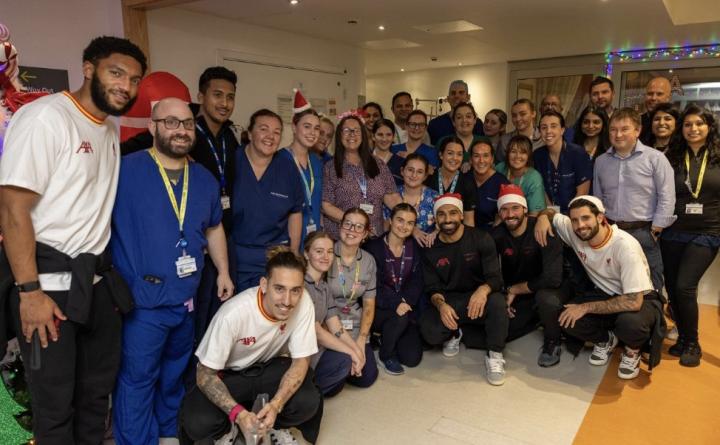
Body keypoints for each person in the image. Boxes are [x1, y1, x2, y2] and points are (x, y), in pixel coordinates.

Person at [0, 36, 145, 444]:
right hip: (46, 286)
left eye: (134, 80)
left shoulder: (108, 129)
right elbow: (12, 208)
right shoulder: (46, 117)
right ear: (88, 68)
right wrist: (30, 292)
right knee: (55, 408)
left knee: (95, 401)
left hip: (96, 285)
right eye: (116, 73)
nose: (126, 86)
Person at [110, 98, 234, 444]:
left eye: (187, 123)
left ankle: (169, 433)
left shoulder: (204, 178)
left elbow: (214, 228)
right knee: (138, 379)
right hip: (143, 304)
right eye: (171, 122)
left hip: (185, 299)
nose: (181, 130)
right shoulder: (125, 172)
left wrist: (223, 271)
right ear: (152, 126)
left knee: (174, 374)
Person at [178, 248, 322, 444]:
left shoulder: (304, 302)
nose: (287, 301)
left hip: (268, 367)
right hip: (229, 374)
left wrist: (276, 405)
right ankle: (230, 429)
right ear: (264, 285)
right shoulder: (232, 314)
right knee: (198, 422)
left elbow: (301, 362)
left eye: (295, 290)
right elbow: (204, 375)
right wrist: (238, 414)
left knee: (307, 400)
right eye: (279, 289)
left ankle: (273, 425)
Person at [534, 196, 665, 380]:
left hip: (639, 298)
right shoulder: (574, 231)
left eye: (586, 218)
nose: (580, 225)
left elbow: (634, 302)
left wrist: (585, 307)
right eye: (574, 220)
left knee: (630, 324)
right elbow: (550, 213)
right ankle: (606, 339)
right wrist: (542, 218)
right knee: (565, 317)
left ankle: (632, 350)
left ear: (600, 218)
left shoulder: (625, 246)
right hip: (603, 294)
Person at [420, 194, 507, 385]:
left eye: (453, 213)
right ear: (435, 219)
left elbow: (495, 278)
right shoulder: (430, 248)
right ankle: (456, 332)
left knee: (498, 302)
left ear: (461, 215)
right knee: (430, 332)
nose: (447, 219)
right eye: (441, 214)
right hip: (450, 301)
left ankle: (494, 354)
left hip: (478, 299)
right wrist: (441, 305)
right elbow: (432, 287)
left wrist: (483, 290)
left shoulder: (481, 238)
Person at [593, 107, 676, 292]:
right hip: (611, 231)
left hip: (644, 231)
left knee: (650, 283)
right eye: (613, 129)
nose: (618, 134)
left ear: (637, 130)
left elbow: (667, 195)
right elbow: (598, 197)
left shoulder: (656, 158)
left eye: (624, 129)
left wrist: (656, 229)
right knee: (614, 282)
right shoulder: (601, 161)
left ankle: (654, 309)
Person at [662, 104, 720, 367]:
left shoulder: (717, 157)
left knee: (685, 285)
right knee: (673, 287)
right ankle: (683, 338)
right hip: (673, 231)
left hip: (707, 232)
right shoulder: (672, 157)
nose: (693, 129)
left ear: (709, 126)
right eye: (687, 124)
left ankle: (693, 343)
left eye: (699, 123)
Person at [190, 66, 241, 354]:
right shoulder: (187, 133)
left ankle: (214, 362)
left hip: (224, 233)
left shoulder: (229, 136)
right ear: (201, 96)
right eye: (217, 95)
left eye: (230, 97)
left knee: (221, 303)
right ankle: (194, 368)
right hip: (196, 239)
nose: (224, 103)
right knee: (196, 309)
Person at [490, 184, 565, 366]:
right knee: (503, 330)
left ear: (525, 209)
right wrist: (505, 296)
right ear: (499, 213)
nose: (510, 214)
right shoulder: (497, 235)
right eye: (504, 209)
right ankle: (537, 318)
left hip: (550, 288)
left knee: (546, 300)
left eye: (515, 208)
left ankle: (553, 341)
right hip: (521, 293)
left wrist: (515, 289)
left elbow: (553, 278)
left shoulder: (542, 229)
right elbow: (492, 272)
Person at [232, 109, 304, 292]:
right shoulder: (233, 162)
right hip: (237, 256)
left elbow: (295, 212)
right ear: (250, 133)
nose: (270, 136)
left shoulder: (287, 168)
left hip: (275, 256)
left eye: (277, 132)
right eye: (263, 129)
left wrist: (293, 253)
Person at [303, 231, 364, 395]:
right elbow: (318, 332)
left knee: (341, 378)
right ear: (306, 254)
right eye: (319, 251)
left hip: (317, 351)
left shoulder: (324, 286)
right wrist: (351, 352)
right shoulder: (301, 285)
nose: (325, 256)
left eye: (330, 252)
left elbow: (335, 326)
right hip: (299, 355)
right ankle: (304, 393)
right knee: (345, 361)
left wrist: (357, 351)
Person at [322, 113, 401, 239]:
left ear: (363, 135)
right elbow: (326, 206)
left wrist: (406, 217)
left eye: (356, 130)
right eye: (346, 130)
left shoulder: (378, 164)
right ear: (339, 135)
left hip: (374, 236)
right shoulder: (330, 167)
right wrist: (356, 224)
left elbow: (392, 196)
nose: (352, 134)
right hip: (343, 237)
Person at [365, 204, 424, 375]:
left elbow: (417, 281)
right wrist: (396, 302)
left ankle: (386, 337)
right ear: (390, 221)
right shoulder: (373, 248)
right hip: (378, 306)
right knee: (399, 317)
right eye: (400, 220)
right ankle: (386, 356)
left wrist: (405, 300)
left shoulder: (415, 247)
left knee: (412, 359)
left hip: (405, 305)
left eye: (410, 223)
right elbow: (372, 286)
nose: (404, 226)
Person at [326, 208, 379, 387]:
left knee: (366, 378)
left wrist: (361, 340)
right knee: (336, 380)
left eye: (358, 227)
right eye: (347, 224)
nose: (352, 230)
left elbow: (369, 305)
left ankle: (348, 362)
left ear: (365, 234)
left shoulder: (368, 261)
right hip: (328, 325)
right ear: (340, 226)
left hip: (354, 324)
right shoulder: (326, 253)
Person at [279, 92, 323, 247]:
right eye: (307, 126)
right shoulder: (279, 160)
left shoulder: (317, 162)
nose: (312, 133)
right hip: (287, 238)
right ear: (294, 127)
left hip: (314, 238)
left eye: (316, 128)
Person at [533, 110, 592, 213]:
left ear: (562, 130)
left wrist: (569, 216)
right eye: (544, 127)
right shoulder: (538, 155)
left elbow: (582, 192)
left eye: (553, 126)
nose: (548, 131)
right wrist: (553, 214)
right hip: (551, 212)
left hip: (576, 212)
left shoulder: (578, 153)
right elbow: (541, 189)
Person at [384, 153, 439, 247]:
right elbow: (384, 227)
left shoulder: (434, 197)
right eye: (410, 170)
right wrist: (412, 229)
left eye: (419, 172)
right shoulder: (391, 194)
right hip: (393, 249)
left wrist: (436, 233)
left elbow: (443, 225)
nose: (414, 175)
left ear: (425, 176)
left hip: (426, 250)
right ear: (402, 171)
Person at [495, 135, 546, 216]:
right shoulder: (500, 168)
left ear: (529, 156)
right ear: (508, 153)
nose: (517, 156)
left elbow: (534, 214)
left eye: (523, 152)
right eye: (513, 151)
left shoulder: (534, 178)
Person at [424, 136, 477, 213]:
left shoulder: (467, 182)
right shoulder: (429, 177)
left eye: (459, 154)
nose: (455, 158)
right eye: (450, 153)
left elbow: (469, 218)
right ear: (441, 155)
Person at [465, 139, 509, 229]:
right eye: (476, 156)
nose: (481, 160)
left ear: (492, 159)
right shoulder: (464, 179)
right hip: (465, 232)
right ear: (470, 159)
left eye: (485, 156)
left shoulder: (502, 183)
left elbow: (505, 215)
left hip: (492, 233)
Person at [428, 80, 484, 145]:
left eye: (461, 93)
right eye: (453, 93)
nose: (457, 96)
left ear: (468, 97)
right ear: (448, 98)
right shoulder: (435, 124)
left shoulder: (477, 124)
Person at [436, 101, 486, 172]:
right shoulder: (443, 141)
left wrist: (473, 163)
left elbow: (492, 166)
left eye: (468, 116)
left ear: (475, 120)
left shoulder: (484, 141)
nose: (464, 120)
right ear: (453, 122)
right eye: (459, 117)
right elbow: (436, 169)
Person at [497, 99, 544, 164]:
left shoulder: (543, 138)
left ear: (533, 114)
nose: (518, 119)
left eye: (523, 114)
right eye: (514, 115)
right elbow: (500, 166)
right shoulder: (505, 140)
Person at [372, 118, 405, 185]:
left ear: (393, 137)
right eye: (380, 134)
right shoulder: (363, 160)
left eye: (388, 135)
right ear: (373, 136)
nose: (384, 139)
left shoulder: (401, 162)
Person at [640, 76, 672, 144]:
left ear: (668, 98)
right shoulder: (636, 122)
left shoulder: (679, 124)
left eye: (659, 94)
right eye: (650, 94)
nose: (653, 98)